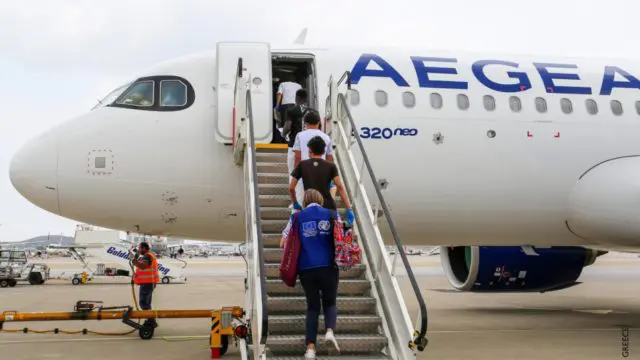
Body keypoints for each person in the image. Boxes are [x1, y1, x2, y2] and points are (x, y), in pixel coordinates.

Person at [280, 189, 341, 359]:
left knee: (313, 307)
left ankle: (310, 349)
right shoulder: (332, 214)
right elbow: (342, 236)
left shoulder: (297, 217)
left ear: (305, 201)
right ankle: (329, 331)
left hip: (306, 269)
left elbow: (284, 241)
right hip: (328, 266)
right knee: (330, 302)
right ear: (321, 200)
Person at [289, 136, 355, 225]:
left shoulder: (302, 165)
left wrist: (295, 202)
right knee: (329, 236)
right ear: (324, 151)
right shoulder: (331, 166)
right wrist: (348, 208)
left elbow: (291, 188)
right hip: (328, 208)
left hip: (309, 207)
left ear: (310, 151)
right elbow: (340, 187)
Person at [292, 109, 336, 200]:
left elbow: (297, 156)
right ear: (319, 122)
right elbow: (330, 158)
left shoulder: (299, 135)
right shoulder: (326, 137)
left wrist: (296, 173)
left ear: (305, 123)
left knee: (302, 199)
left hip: (304, 171)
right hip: (322, 173)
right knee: (320, 199)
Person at [132, 242, 160, 317]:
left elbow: (143, 266)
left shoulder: (147, 256)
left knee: (143, 303)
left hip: (147, 283)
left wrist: (135, 262)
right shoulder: (148, 255)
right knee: (147, 303)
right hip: (149, 283)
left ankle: (150, 320)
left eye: (140, 248)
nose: (138, 249)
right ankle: (150, 319)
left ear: (144, 248)